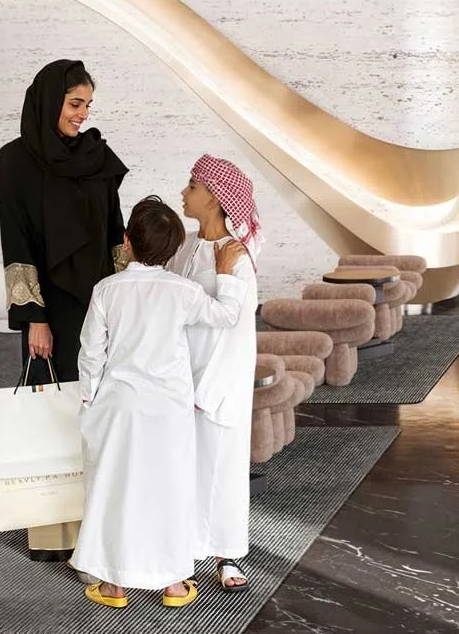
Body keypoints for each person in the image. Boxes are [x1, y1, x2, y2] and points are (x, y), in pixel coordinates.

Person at [76, 196, 251, 610]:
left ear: (126, 241)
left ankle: (114, 586)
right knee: (171, 491)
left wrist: (88, 403)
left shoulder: (106, 290)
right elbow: (227, 317)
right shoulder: (184, 291)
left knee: (115, 489)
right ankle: (173, 584)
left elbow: (91, 355)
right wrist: (226, 275)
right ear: (174, 249)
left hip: (118, 407)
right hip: (170, 410)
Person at [0, 59, 128, 560]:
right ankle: (53, 532)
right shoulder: (15, 161)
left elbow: (117, 237)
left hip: (101, 304)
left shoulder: (98, 158)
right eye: (75, 104)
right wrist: (35, 318)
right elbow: (17, 242)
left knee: (100, 410)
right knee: (50, 414)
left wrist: (124, 305)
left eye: (88, 105)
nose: (82, 114)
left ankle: (100, 527)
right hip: (51, 310)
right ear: (50, 101)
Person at [166, 155, 264, 593]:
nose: (184, 193)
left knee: (221, 465)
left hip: (219, 383)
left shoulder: (237, 256)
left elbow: (238, 330)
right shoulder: (185, 246)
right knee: (182, 467)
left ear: (214, 196)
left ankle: (227, 555)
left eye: (191, 186)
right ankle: (181, 551)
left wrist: (210, 387)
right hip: (177, 377)